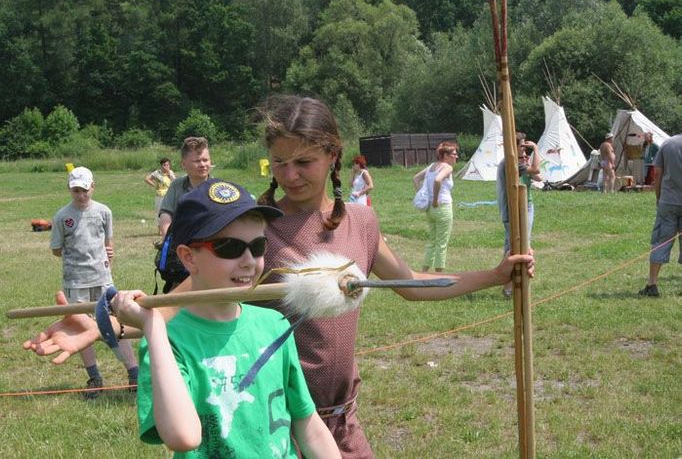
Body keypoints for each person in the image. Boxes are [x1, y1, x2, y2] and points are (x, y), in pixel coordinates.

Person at [24, 95, 534, 458]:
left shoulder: (360, 221)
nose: (290, 175)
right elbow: (179, 303)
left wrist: (493, 275)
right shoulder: (253, 232)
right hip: (272, 418)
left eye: (304, 161)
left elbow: (409, 282)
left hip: (340, 415)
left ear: (333, 155)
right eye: (280, 162)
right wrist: (96, 325)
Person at [113, 179, 340, 458]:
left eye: (257, 246)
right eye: (229, 248)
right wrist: (153, 326)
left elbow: (308, 424)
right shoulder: (167, 341)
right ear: (189, 257)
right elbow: (183, 436)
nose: (248, 260)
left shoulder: (274, 325)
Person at [50, 166, 138, 398]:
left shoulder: (104, 212)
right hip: (76, 281)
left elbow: (109, 242)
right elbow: (56, 250)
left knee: (116, 325)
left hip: (102, 280)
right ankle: (94, 377)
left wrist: (108, 254)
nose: (80, 195)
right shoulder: (62, 217)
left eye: (84, 190)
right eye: (76, 190)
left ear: (93, 187)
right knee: (81, 328)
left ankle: (134, 372)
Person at [496, 134, 542, 298]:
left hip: (523, 207)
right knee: (517, 248)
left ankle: (509, 284)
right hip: (514, 210)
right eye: (522, 146)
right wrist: (536, 149)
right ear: (513, 146)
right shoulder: (511, 163)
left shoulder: (518, 162)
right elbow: (537, 170)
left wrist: (526, 158)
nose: (524, 148)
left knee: (514, 246)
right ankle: (509, 287)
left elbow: (538, 177)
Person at [639, 134, 682, 297]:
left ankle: (652, 284)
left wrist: (658, 197)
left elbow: (657, 173)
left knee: (660, 242)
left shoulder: (668, 144)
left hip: (669, 201)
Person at [412, 141, 458, 272]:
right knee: (442, 243)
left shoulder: (432, 166)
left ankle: (424, 271)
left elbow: (415, 178)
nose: (456, 156)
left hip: (430, 210)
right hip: (442, 207)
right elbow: (438, 180)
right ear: (446, 155)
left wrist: (422, 194)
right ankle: (439, 273)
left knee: (432, 241)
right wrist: (436, 199)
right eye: (454, 154)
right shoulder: (447, 167)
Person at [158, 137, 212, 239]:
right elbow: (166, 214)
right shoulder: (176, 185)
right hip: (181, 243)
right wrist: (168, 240)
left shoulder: (218, 187)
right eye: (197, 161)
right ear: (183, 164)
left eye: (205, 160)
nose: (203, 165)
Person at [144, 158, 176, 235]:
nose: (166, 166)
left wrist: (169, 173)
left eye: (168, 165)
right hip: (160, 195)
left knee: (170, 212)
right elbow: (147, 178)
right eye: (164, 165)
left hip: (169, 195)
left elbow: (175, 182)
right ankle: (160, 230)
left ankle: (169, 228)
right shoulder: (157, 173)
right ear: (161, 166)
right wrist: (154, 185)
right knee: (159, 212)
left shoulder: (170, 172)